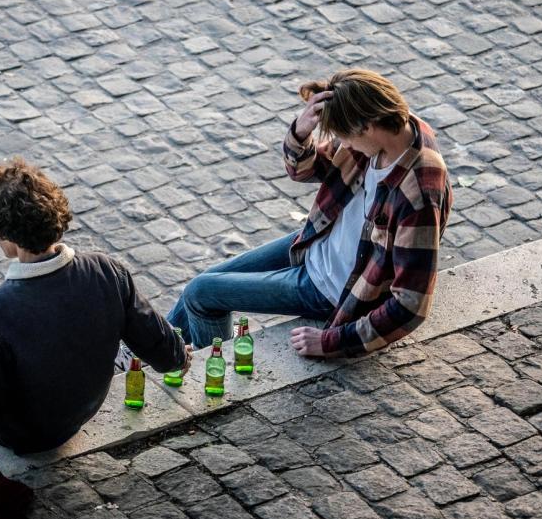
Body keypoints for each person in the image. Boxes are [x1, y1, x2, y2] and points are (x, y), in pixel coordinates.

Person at [167, 68, 452, 358]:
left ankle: (216, 381)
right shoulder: (385, 130)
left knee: (202, 294)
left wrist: (332, 341)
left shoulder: (418, 192)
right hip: (316, 242)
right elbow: (307, 170)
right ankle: (141, 352)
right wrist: (300, 133)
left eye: (345, 137)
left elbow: (411, 304)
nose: (345, 145)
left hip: (331, 287)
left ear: (366, 126)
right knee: (205, 280)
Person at [0, 158, 190, 454]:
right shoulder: (108, 270)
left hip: (21, 435)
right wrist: (179, 357)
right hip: (79, 413)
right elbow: (161, 349)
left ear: (6, 238)